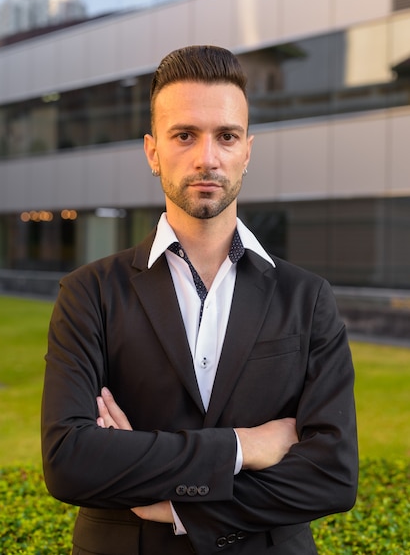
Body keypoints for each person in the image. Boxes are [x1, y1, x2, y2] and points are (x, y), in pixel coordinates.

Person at [41, 45, 358, 555]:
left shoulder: (308, 299)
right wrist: (244, 447)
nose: (207, 158)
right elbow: (69, 460)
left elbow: (333, 475)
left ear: (247, 152)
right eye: (184, 135)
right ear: (152, 151)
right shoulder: (89, 294)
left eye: (226, 136)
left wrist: (179, 504)